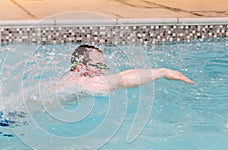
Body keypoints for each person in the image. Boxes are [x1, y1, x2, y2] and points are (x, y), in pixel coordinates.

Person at [56, 45, 195, 95]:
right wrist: (161, 72)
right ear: (80, 67)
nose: (103, 71)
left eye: (103, 66)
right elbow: (121, 80)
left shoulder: (67, 79)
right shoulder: (83, 82)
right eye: (98, 66)